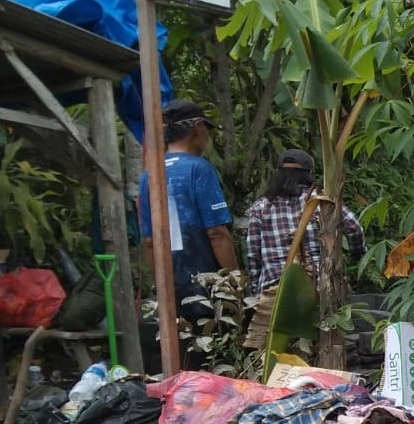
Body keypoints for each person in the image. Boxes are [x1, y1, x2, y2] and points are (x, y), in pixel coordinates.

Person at [137, 99, 238, 311]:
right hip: (206, 285)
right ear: (198, 128)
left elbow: (149, 241)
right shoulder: (199, 169)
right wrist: (234, 283)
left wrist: (160, 288)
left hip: (171, 286)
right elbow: (216, 234)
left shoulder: (148, 176)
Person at [243, 149, 366, 296]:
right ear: (309, 173)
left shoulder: (260, 207)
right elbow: (354, 226)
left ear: (278, 174)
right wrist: (357, 254)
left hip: (274, 288)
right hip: (318, 286)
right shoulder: (321, 202)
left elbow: (253, 254)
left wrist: (256, 288)